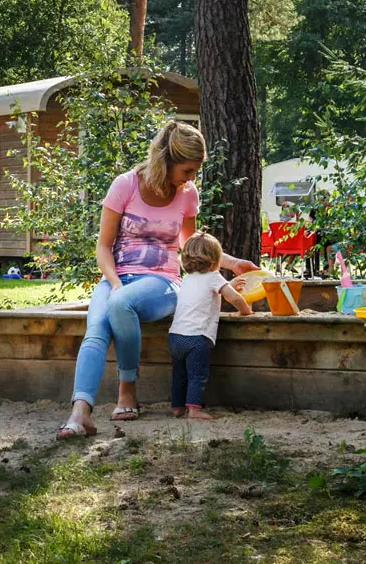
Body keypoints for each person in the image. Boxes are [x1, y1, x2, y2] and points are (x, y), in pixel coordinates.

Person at [55, 120, 258, 440]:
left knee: (120, 304)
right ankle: (80, 413)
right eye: (188, 170)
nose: (192, 179)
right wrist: (117, 284)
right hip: (118, 278)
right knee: (95, 329)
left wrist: (231, 264)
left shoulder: (187, 194)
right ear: (167, 161)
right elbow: (103, 247)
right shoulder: (125, 185)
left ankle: (127, 391)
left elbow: (190, 245)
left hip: (161, 282)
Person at [168, 231, 253, 421]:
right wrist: (246, 311)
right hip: (196, 338)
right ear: (215, 259)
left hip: (175, 337)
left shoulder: (187, 279)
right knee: (197, 375)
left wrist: (229, 284)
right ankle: (194, 410)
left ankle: (177, 407)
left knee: (179, 374)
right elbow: (234, 298)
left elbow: (206, 294)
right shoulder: (214, 277)